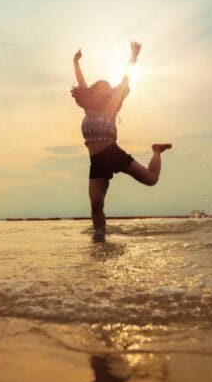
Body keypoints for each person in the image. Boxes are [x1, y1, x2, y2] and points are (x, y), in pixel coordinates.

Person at [72, 41, 171, 239]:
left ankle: (157, 151)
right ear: (93, 91)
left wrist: (133, 56)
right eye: (98, 87)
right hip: (96, 161)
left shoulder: (112, 106)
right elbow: (82, 83)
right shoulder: (88, 107)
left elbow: (125, 79)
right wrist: (76, 62)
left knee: (151, 180)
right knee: (96, 203)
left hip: (112, 153)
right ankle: (99, 239)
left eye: (105, 87)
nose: (101, 89)